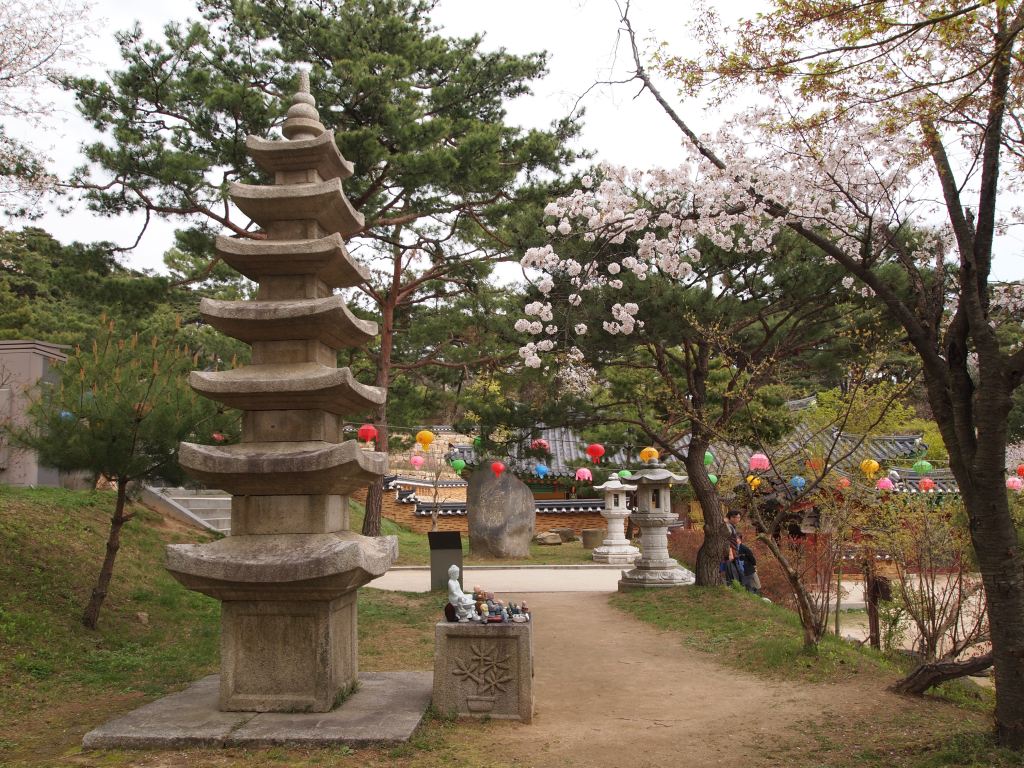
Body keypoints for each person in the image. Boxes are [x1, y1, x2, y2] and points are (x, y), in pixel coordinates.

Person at [722, 510, 743, 585]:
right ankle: (732, 587)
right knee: (732, 574)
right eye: (737, 517)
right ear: (731, 518)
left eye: (739, 517)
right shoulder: (728, 526)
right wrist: (730, 553)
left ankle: (734, 586)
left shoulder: (731, 526)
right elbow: (727, 540)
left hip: (734, 553)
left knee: (735, 573)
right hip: (730, 553)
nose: (739, 519)